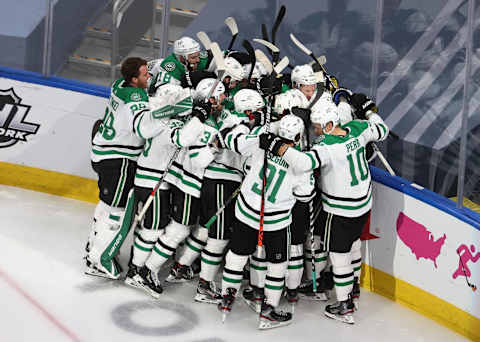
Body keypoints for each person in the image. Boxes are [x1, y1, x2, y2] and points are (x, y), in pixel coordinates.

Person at [259, 94, 389, 324]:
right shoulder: (358, 128)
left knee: (339, 256)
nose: (316, 131)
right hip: (363, 203)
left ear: (330, 125)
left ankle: (345, 304)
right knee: (354, 245)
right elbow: (381, 129)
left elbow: (303, 163)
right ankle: (354, 288)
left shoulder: (327, 147)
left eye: (318, 127)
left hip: (339, 210)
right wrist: (369, 110)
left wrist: (277, 146)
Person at [220, 114, 315, 330]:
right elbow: (305, 195)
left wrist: (261, 131)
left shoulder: (260, 141)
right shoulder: (301, 161)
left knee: (237, 254)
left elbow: (234, 141)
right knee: (277, 264)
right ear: (298, 137)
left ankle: (227, 297)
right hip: (276, 221)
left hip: (246, 211)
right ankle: (269, 309)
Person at [86, 57, 176, 279]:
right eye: (145, 74)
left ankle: (92, 248)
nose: (150, 77)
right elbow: (144, 129)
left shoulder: (120, 85)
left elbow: (138, 100)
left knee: (106, 207)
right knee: (115, 212)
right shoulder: (135, 98)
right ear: (134, 79)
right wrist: (169, 111)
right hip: (119, 160)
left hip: (104, 153)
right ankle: (98, 261)